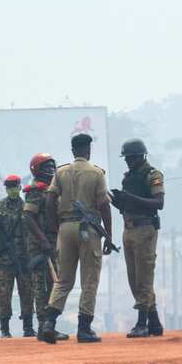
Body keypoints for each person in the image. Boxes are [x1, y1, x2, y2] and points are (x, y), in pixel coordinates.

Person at [43, 133, 113, 344]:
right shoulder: (96, 173)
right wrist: (108, 234)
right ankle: (84, 328)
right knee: (89, 279)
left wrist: (57, 227)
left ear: (73, 151)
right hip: (88, 230)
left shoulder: (61, 172)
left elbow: (49, 200)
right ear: (88, 150)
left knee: (64, 279)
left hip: (65, 228)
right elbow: (104, 206)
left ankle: (49, 323)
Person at [109, 138, 165, 339]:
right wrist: (118, 201)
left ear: (141, 157)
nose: (128, 162)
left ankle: (142, 322)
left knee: (144, 276)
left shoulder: (152, 175)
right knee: (134, 277)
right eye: (126, 158)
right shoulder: (128, 178)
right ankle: (154, 320)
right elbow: (126, 206)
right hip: (129, 228)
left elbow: (159, 203)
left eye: (131, 158)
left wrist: (132, 199)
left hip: (145, 228)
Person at [22, 154, 69, 343]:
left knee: (53, 284)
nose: (51, 170)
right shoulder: (35, 191)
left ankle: (50, 326)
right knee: (42, 286)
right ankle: (43, 326)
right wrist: (43, 241)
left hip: (53, 242)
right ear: (36, 170)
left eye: (52, 166)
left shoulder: (53, 189)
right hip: (41, 246)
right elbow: (28, 217)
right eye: (46, 167)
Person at [0, 173, 33, 338]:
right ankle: (4, 328)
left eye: (15, 187)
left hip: (24, 259)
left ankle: (28, 326)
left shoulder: (27, 207)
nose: (13, 190)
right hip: (5, 260)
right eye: (10, 188)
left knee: (27, 292)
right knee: (2, 293)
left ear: (20, 188)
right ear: (6, 189)